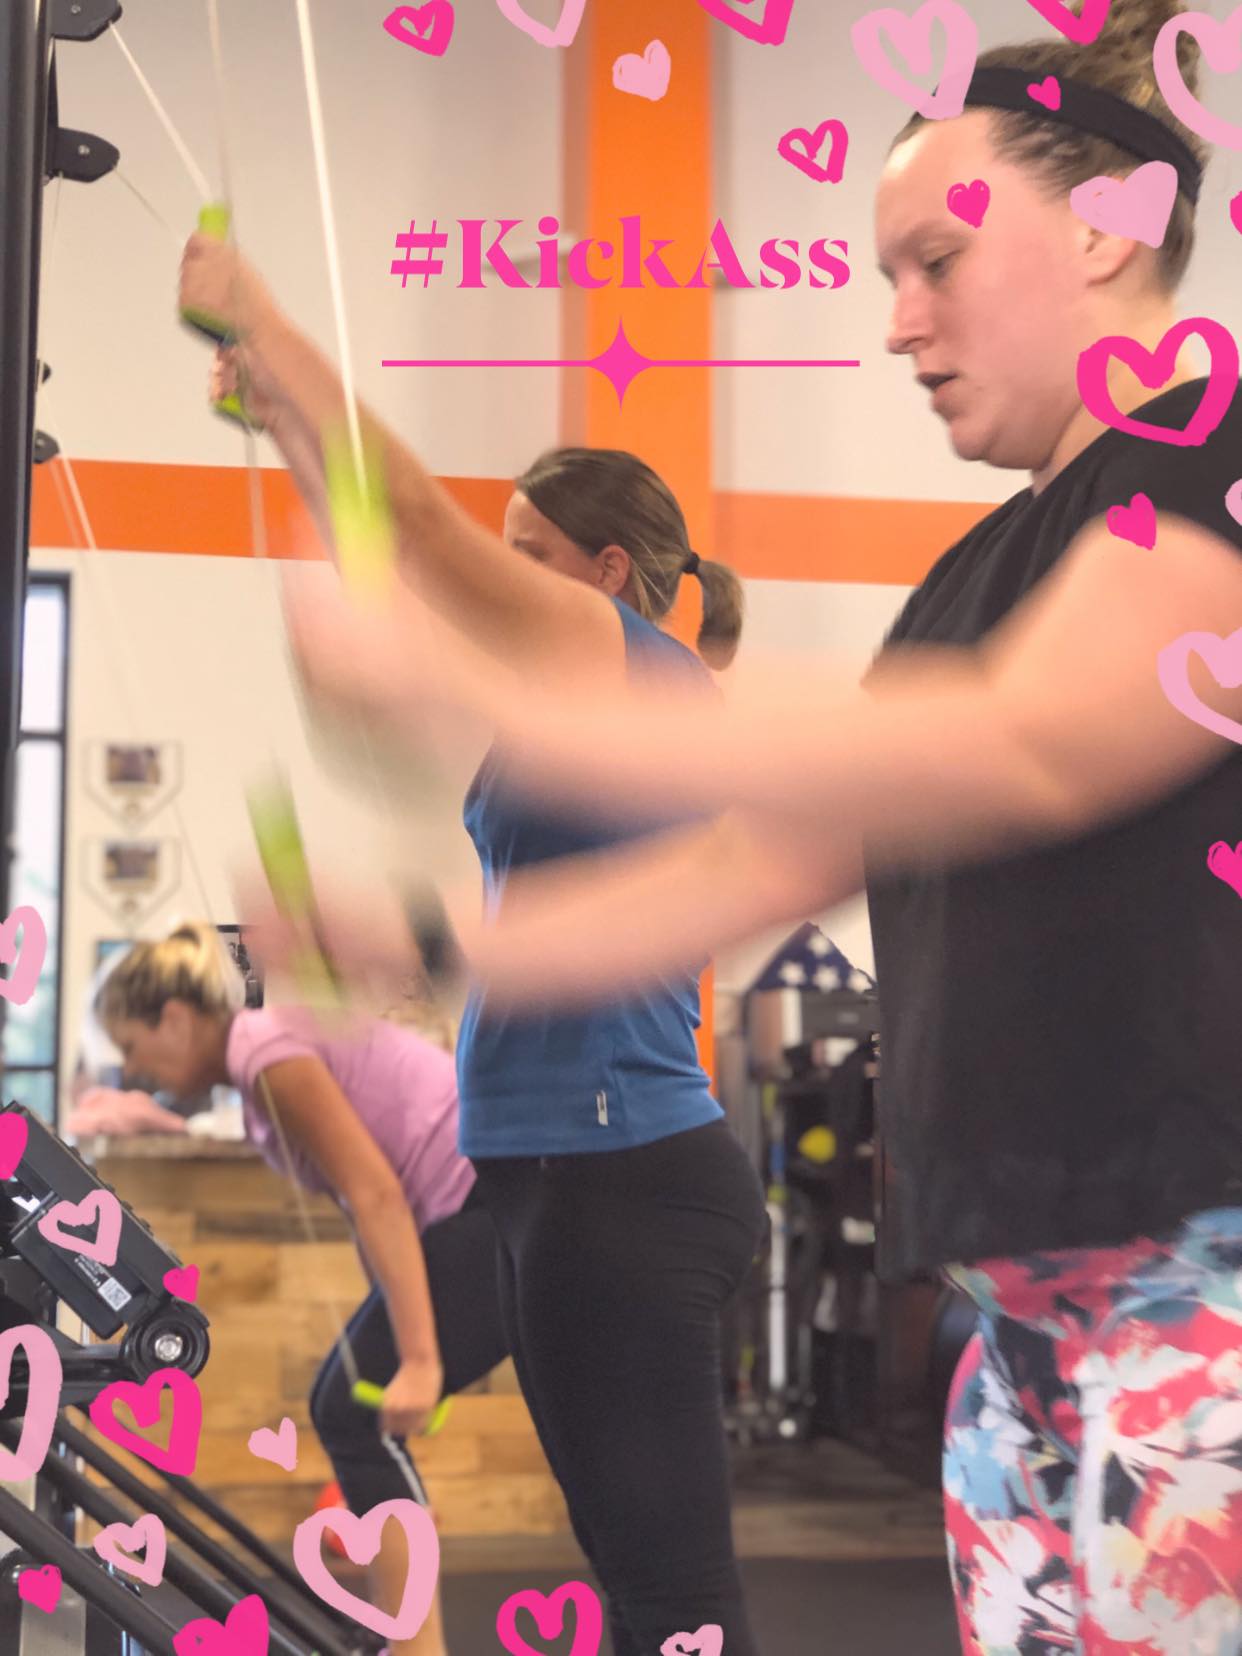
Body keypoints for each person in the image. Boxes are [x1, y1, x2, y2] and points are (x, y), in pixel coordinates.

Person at [249, 1, 1242, 1649]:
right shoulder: (968, 579)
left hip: (1194, 1311)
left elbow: (1020, 743)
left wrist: (473, 693)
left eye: (935, 261)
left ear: (1099, 231)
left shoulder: (1209, 458)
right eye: (885, 276)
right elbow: (750, 859)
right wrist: (425, 939)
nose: (896, 322)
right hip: (1019, 1339)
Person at [176, 244, 768, 1656]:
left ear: (605, 574)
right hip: (560, 1178)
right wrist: (286, 430)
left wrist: (284, 359)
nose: (502, 581)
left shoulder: (632, 668)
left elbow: (422, 541)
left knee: (671, 1595)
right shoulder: (567, 714)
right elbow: (394, 594)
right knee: (636, 1581)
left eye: (528, 558)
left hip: (623, 1176)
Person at [95, 921, 507, 1656]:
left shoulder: (264, 1053)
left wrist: (419, 1358)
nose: (133, 1071)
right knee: (352, 1404)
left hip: (492, 1203)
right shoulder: (259, 1068)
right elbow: (363, 1203)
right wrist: (399, 1326)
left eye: (132, 1045)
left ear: (177, 1019)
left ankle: (417, 1646)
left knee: (349, 1409)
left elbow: (376, 1195)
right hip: (474, 1209)